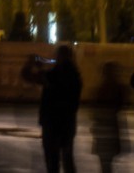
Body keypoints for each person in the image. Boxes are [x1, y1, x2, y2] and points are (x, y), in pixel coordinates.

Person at [24, 44, 83, 173]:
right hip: (67, 122)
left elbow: (30, 77)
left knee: (52, 161)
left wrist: (32, 65)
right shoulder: (75, 76)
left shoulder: (56, 74)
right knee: (67, 160)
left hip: (52, 122)